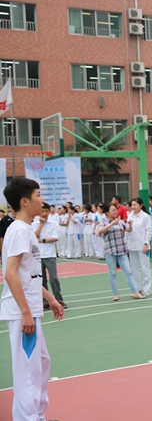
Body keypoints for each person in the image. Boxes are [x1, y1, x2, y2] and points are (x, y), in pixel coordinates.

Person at [1, 178, 65, 421]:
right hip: (23, 312)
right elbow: (10, 273)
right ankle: (28, 418)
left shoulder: (26, 229)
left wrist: (51, 299)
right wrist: (25, 312)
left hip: (31, 308)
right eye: (38, 195)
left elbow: (30, 275)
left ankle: (36, 414)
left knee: (40, 363)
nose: (42, 200)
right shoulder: (19, 230)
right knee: (28, 369)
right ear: (25, 201)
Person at [99, 204, 144, 301]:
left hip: (122, 250)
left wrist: (130, 225)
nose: (115, 212)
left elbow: (128, 230)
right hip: (110, 251)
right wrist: (112, 223)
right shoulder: (103, 222)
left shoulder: (120, 221)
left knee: (128, 271)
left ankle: (135, 291)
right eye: (113, 210)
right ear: (107, 212)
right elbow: (100, 231)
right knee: (112, 273)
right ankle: (116, 294)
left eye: (116, 210)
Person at [33, 203, 67, 310]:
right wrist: (41, 224)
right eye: (42, 211)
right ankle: (45, 301)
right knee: (41, 280)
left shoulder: (53, 223)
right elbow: (33, 237)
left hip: (49, 254)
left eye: (46, 211)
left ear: (49, 211)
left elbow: (55, 238)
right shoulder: (34, 223)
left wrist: (42, 240)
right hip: (37, 255)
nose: (44, 213)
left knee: (54, 278)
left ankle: (59, 299)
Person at [127, 198, 152, 297]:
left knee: (145, 268)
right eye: (132, 205)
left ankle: (147, 289)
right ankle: (137, 289)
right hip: (132, 246)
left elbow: (149, 231)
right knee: (134, 269)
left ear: (141, 205)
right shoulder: (130, 215)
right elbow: (128, 230)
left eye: (135, 204)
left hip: (142, 246)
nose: (133, 207)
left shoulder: (145, 217)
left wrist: (146, 243)